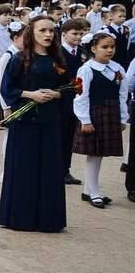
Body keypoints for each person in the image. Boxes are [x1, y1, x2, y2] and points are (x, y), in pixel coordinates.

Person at [0, 15, 69, 231]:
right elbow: (7, 88)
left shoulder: (58, 60)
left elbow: (69, 87)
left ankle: (47, 218)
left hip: (49, 121)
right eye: (43, 31)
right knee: (24, 167)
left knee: (49, 168)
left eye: (51, 31)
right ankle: (21, 216)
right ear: (32, 33)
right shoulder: (20, 58)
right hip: (25, 120)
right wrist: (30, 95)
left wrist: (57, 95)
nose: (48, 35)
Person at [74, 32, 129, 209]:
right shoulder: (87, 69)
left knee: (100, 153)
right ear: (93, 48)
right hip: (94, 114)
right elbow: (81, 96)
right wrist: (85, 120)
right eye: (104, 47)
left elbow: (122, 95)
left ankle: (88, 190)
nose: (109, 50)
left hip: (111, 113)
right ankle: (94, 191)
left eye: (112, 47)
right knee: (95, 153)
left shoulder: (118, 68)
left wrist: (122, 117)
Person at [58, 17, 87, 185]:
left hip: (77, 99)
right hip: (62, 99)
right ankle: (57, 168)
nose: (78, 37)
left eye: (80, 34)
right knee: (60, 135)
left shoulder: (82, 52)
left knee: (69, 135)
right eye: (74, 34)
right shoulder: (58, 53)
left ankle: (65, 169)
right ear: (64, 34)